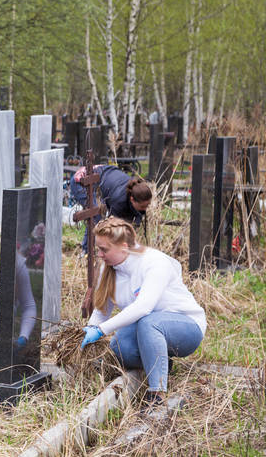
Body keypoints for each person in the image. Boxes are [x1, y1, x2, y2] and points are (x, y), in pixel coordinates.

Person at [81, 217, 206, 405]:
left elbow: (143, 307)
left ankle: (156, 393)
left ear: (123, 246)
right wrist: (89, 329)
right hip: (147, 328)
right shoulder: (108, 269)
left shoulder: (153, 262)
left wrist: (101, 330)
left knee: (150, 322)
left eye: (104, 249)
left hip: (186, 327)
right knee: (119, 346)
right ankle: (162, 363)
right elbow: (101, 310)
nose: (99, 254)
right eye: (98, 248)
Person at [70, 164, 152, 252]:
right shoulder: (119, 200)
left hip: (104, 173)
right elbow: (114, 227)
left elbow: (134, 220)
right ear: (132, 199)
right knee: (96, 218)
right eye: (143, 206)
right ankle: (87, 252)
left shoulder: (135, 189)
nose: (145, 209)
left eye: (147, 205)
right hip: (82, 181)